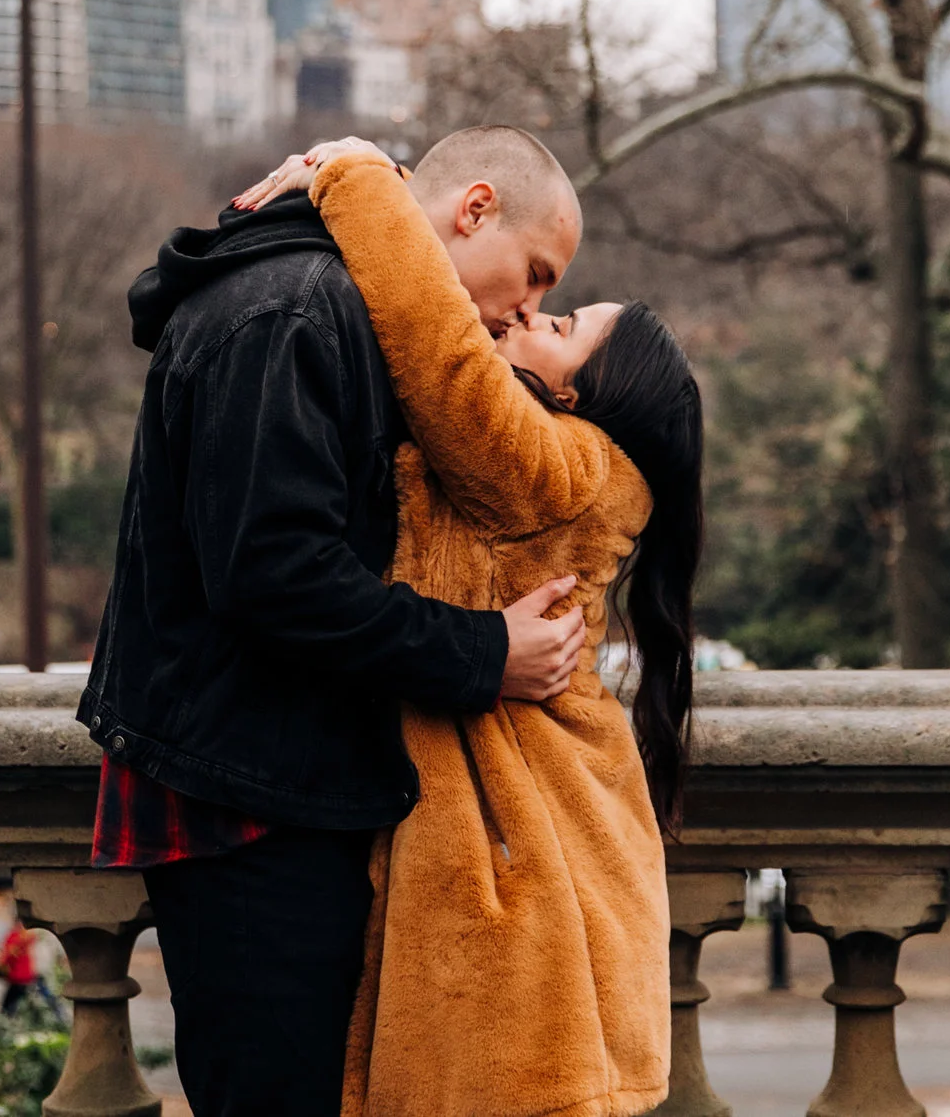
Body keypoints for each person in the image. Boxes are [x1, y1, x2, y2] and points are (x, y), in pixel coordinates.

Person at [77, 125, 596, 1117]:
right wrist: (487, 652)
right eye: (532, 272)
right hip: (251, 792)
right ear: (473, 206)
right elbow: (274, 573)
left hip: (271, 772)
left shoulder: (337, 300)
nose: (527, 307)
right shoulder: (298, 309)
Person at [233, 139, 704, 1117]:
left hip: (516, 874)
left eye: (559, 317)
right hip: (522, 847)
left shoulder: (563, 466)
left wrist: (362, 175)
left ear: (581, 393)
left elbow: (437, 351)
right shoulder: (575, 468)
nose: (527, 311)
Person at [0, 921, 55, 1016]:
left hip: (22, 978)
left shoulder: (16, 937)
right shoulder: (25, 937)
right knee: (43, 1001)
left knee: (8, 1008)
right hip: (26, 978)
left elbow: (6, 957)